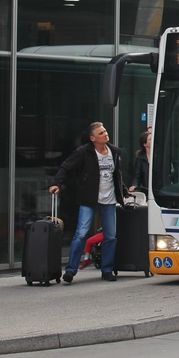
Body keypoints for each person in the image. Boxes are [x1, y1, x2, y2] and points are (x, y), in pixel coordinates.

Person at [49, 121, 128, 283]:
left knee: (111, 236)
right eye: (101, 133)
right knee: (81, 234)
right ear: (93, 138)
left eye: (105, 131)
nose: (105, 134)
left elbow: (116, 176)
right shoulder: (84, 152)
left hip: (109, 199)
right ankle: (71, 270)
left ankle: (107, 270)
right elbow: (66, 167)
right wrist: (57, 183)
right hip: (89, 199)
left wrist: (125, 191)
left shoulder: (113, 152)